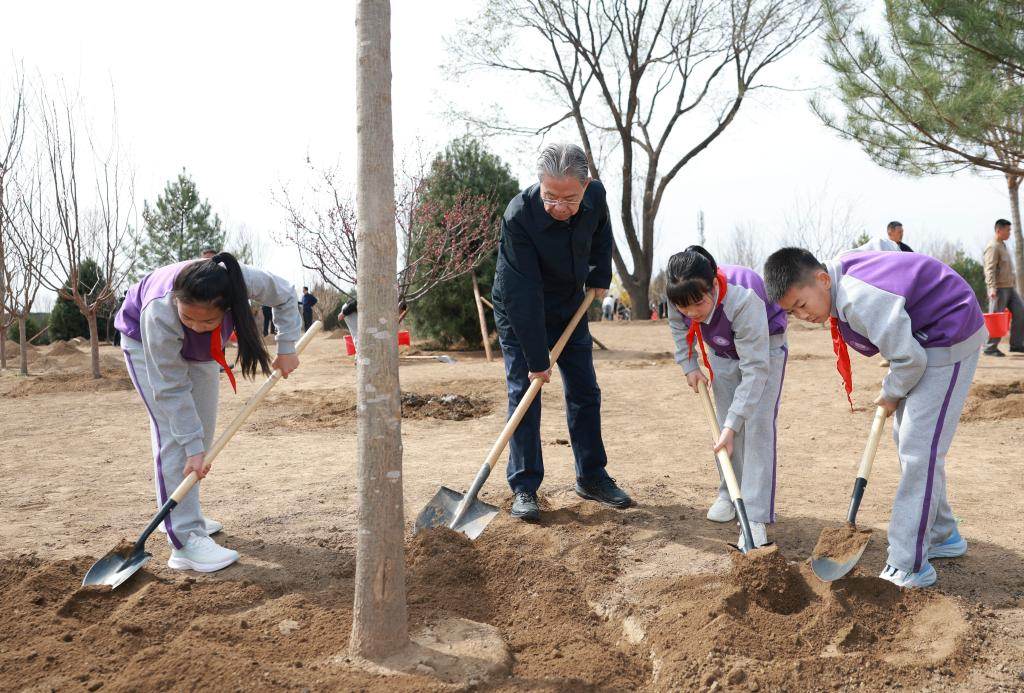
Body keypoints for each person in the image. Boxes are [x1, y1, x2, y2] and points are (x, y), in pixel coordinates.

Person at [764, 247, 985, 588]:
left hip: (950, 329)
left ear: (822, 279)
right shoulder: (835, 282)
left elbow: (910, 361)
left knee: (919, 448)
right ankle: (943, 535)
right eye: (792, 312)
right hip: (923, 336)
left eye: (802, 305)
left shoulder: (859, 297)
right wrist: (893, 388)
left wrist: (890, 390)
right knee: (908, 439)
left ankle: (909, 564)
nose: (802, 315)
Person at [114, 253, 301, 573]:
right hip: (144, 346)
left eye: (208, 321)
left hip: (202, 353)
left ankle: (186, 515)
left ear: (227, 308)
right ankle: (185, 540)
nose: (197, 326)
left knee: (202, 436)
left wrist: (287, 347)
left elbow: (285, 294)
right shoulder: (159, 311)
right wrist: (191, 445)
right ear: (177, 301)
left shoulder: (242, 280)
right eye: (188, 318)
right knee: (177, 437)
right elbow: (170, 389)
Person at [492, 142, 631, 521]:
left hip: (570, 303)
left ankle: (592, 476)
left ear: (585, 185)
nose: (558, 206)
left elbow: (602, 233)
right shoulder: (519, 216)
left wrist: (600, 274)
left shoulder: (596, 196)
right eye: (549, 196)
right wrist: (538, 360)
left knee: (585, 389)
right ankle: (524, 485)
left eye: (569, 199)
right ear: (539, 183)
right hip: (520, 308)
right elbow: (522, 294)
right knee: (525, 392)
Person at [666, 246, 787, 549]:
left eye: (698, 303)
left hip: (764, 350)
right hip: (720, 351)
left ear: (713, 285)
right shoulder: (679, 295)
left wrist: (735, 424)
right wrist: (689, 365)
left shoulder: (744, 300)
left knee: (755, 426)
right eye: (684, 307)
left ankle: (755, 516)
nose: (692, 312)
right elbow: (678, 327)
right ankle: (729, 493)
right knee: (723, 425)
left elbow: (755, 369)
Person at [983, 218, 1023, 356]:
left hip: (1010, 287)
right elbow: (989, 269)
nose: (1010, 233)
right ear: (999, 230)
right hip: (998, 289)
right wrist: (991, 288)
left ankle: (1016, 345)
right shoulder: (993, 247)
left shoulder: (1003, 245)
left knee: (1020, 311)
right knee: (996, 318)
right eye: (1008, 230)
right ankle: (990, 348)